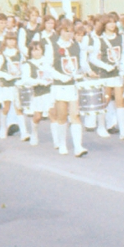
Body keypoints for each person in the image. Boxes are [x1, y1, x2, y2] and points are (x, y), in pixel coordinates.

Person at [48, 21, 88, 157]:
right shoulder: (52, 46)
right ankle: (62, 143)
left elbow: (82, 63)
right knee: (62, 116)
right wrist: (60, 76)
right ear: (60, 31)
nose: (68, 34)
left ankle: (78, 146)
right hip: (60, 85)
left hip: (72, 85)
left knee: (75, 115)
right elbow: (47, 66)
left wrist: (83, 72)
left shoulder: (76, 45)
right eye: (65, 31)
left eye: (71, 31)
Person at [0, 33, 28, 141]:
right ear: (5, 41)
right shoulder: (3, 56)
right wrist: (6, 76)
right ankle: (3, 127)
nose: (11, 42)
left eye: (13, 40)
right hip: (7, 86)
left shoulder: (19, 55)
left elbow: (24, 67)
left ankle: (24, 132)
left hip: (16, 85)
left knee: (18, 107)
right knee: (6, 108)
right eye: (9, 40)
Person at [21, 41, 52, 146]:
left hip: (50, 91)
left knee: (53, 115)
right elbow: (25, 79)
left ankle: (58, 141)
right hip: (38, 92)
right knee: (38, 116)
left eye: (38, 49)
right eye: (34, 50)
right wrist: (38, 81)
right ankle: (34, 133)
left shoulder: (47, 61)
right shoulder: (28, 64)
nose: (36, 52)